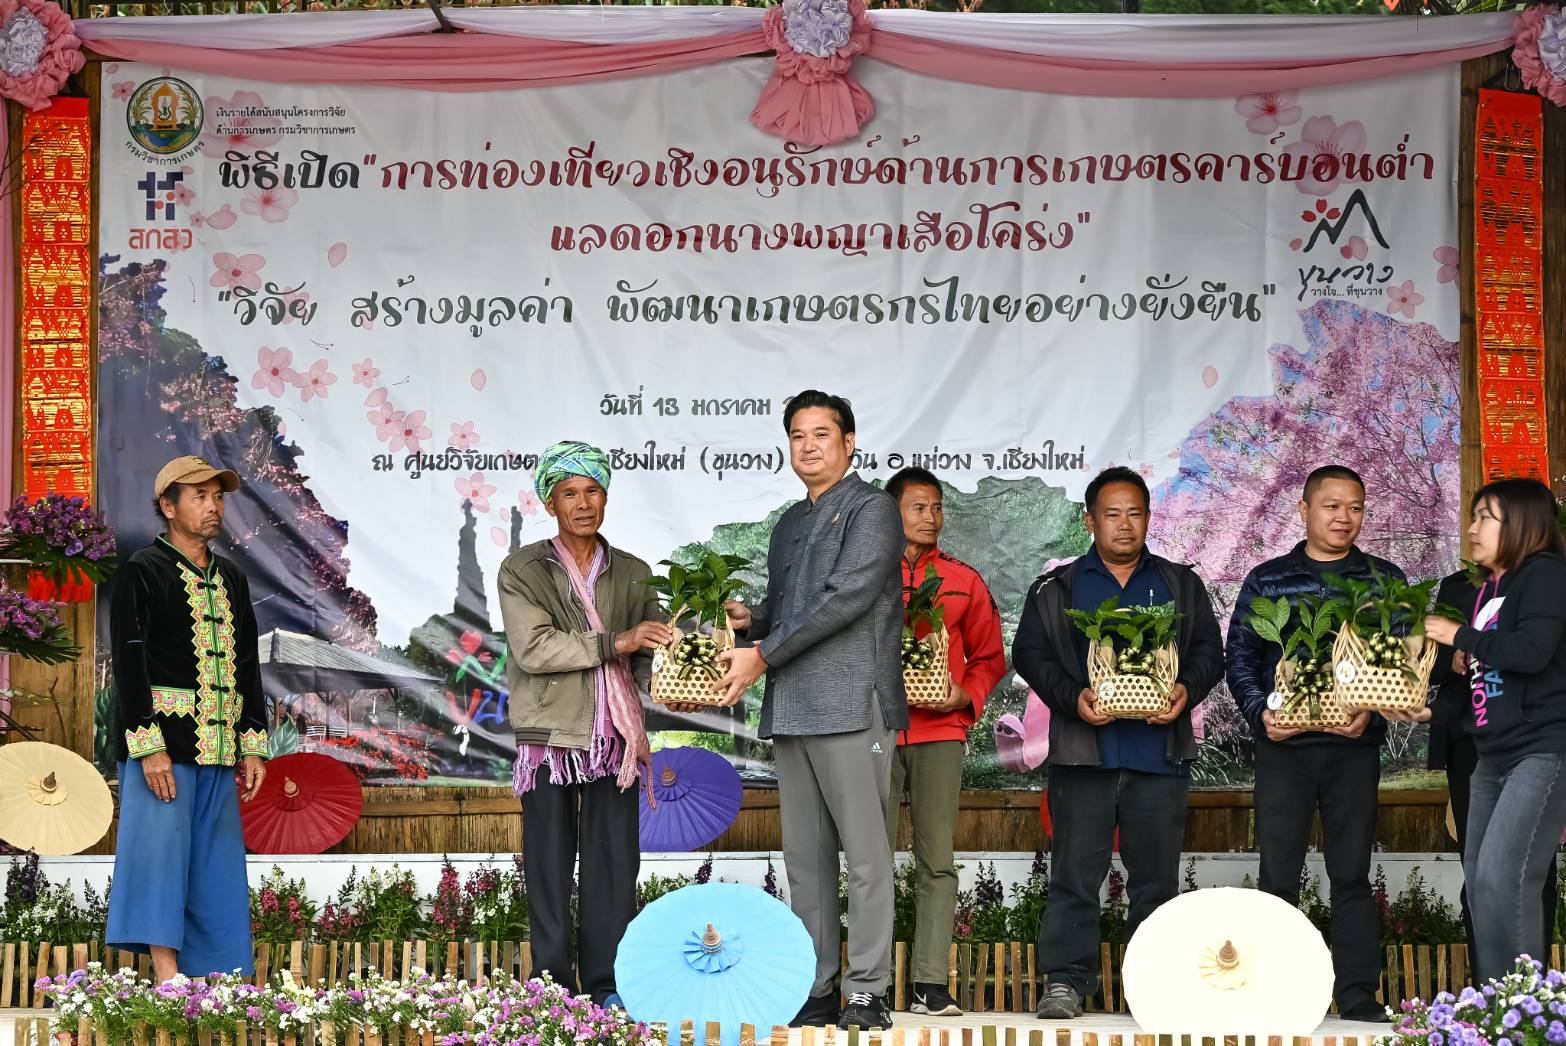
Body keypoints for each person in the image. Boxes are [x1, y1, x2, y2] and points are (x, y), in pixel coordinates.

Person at [716, 391, 906, 1030]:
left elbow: (846, 597)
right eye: (797, 435)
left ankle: (868, 989)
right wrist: (752, 621)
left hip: (852, 702)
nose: (808, 446)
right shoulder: (791, 522)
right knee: (806, 859)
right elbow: (789, 607)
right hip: (794, 705)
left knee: (866, 856)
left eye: (822, 433)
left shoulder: (873, 509)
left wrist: (762, 653)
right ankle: (817, 984)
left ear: (848, 443)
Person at [1012, 466, 1223, 1020]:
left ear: (1149, 519)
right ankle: (1065, 982)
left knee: (1155, 878)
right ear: (1090, 521)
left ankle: (1152, 983)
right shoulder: (1058, 588)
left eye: (1135, 513)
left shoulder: (1180, 584)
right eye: (1112, 514)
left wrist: (1185, 689)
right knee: (1074, 875)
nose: (1124, 524)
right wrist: (1073, 697)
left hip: (1159, 756)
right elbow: (1029, 653)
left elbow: (1210, 652)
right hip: (1084, 756)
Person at [497, 440, 671, 1007]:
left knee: (613, 865)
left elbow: (649, 659)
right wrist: (616, 641)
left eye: (592, 490)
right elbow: (534, 648)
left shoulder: (634, 572)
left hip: (615, 739)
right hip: (550, 739)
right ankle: (552, 987)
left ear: (606, 497)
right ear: (549, 502)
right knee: (548, 866)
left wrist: (683, 670)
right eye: (569, 492)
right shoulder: (523, 569)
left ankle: (607, 985)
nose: (582, 503)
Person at [1225, 465, 1401, 1023]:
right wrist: (1262, 714)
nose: (1344, 517)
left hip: (1353, 751)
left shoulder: (1383, 580)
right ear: (1304, 510)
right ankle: (1275, 994)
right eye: (1331, 506)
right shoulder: (1268, 580)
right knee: (1279, 875)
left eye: (1355, 507)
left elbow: (1401, 664)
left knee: (1351, 874)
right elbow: (1240, 659)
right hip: (1284, 751)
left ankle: (1358, 995)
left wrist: (1371, 712)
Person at [106, 455, 269, 980]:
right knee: (160, 858)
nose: (213, 506)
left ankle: (216, 977)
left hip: (218, 746)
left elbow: (247, 663)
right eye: (199, 496)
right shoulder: (142, 570)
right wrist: (147, 745)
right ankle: (167, 974)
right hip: (164, 747)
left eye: (217, 497)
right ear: (168, 506)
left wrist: (252, 742)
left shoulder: (232, 578)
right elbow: (129, 659)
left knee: (215, 864)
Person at [1403, 478, 1566, 982]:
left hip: (1540, 750)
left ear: (1522, 525)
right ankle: (1496, 1002)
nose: (1472, 528)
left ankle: (1523, 1009)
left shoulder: (1545, 574)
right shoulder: (1489, 590)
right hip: (1491, 755)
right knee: (1480, 884)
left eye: (1485, 518)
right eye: (1472, 517)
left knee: (1507, 878)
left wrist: (1460, 635)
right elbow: (1483, 686)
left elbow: (1530, 652)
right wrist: (1433, 714)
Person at [882, 467, 1006, 1017]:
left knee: (937, 861)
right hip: (876, 732)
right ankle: (872, 981)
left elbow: (990, 657)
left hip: (940, 733)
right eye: (917, 507)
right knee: (871, 859)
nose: (930, 517)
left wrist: (964, 696)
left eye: (936, 507)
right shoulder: (866, 576)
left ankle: (929, 983)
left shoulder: (963, 579)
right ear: (890, 514)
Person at [1426, 566, 1557, 952]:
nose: (1474, 535)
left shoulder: (1547, 582)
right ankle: (1489, 980)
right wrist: (1452, 659)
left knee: (1534, 867)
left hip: (1533, 737)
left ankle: (1531, 981)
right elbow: (1430, 662)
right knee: (1480, 869)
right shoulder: (1457, 586)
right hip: (1470, 745)